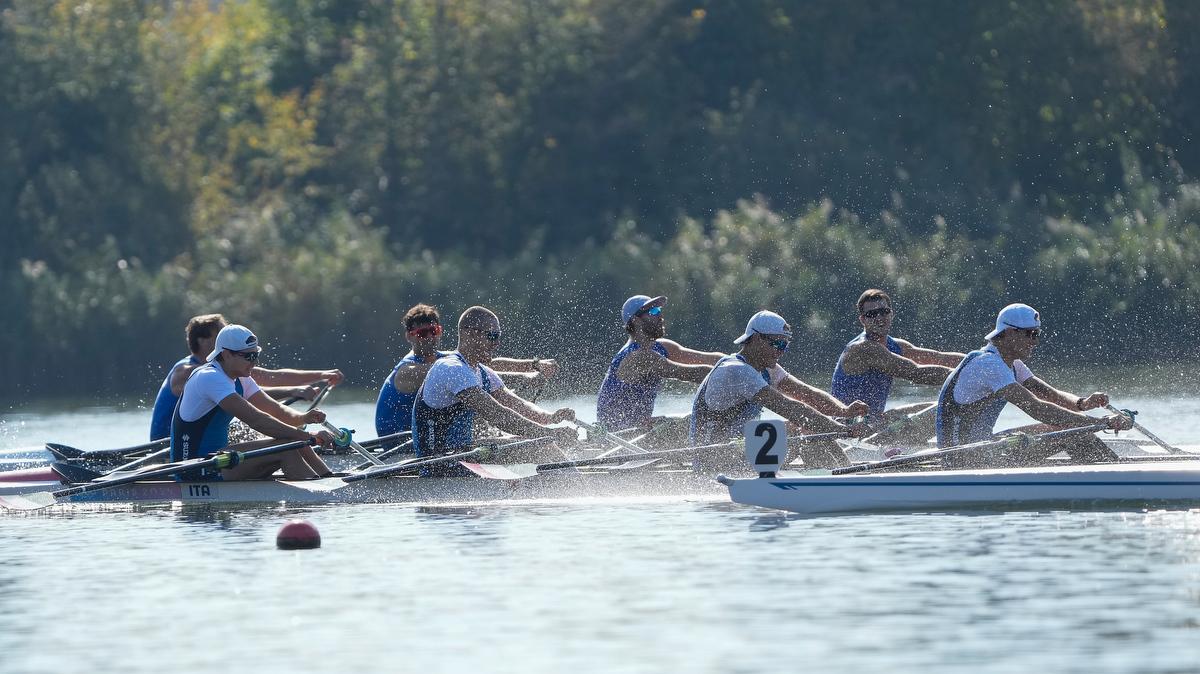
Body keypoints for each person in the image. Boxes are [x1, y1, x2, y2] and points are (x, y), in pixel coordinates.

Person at [935, 303, 1132, 464]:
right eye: (1031, 334)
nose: (1035, 342)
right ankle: (1114, 482)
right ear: (1010, 333)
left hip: (984, 447)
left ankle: (1105, 475)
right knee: (1074, 431)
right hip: (964, 459)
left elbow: (1051, 396)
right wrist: (1099, 423)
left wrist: (1082, 403)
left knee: (1074, 427)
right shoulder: (988, 364)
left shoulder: (1012, 365)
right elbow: (1037, 408)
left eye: (1037, 334)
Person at [690, 310, 871, 469]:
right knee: (805, 428)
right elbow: (791, 409)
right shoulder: (736, 370)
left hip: (739, 448)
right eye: (777, 344)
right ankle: (841, 478)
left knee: (807, 427)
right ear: (756, 339)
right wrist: (843, 430)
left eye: (785, 345)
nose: (781, 351)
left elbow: (807, 394)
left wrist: (844, 411)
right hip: (713, 460)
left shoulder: (767, 368)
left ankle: (845, 471)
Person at [411, 306, 577, 473]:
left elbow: (518, 405)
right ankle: (578, 492)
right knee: (542, 447)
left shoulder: (483, 372)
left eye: (498, 336)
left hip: (463, 454)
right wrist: (549, 434)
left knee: (536, 442)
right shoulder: (451, 368)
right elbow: (499, 416)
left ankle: (566, 488)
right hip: (439, 462)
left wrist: (550, 418)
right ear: (470, 333)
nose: (497, 343)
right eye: (492, 336)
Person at [170, 324, 337, 481]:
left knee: (293, 439)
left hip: (220, 459)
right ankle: (321, 497)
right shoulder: (209, 377)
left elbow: (276, 410)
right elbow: (257, 420)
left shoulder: (241, 378)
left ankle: (328, 480)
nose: (255, 362)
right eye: (249, 356)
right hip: (195, 467)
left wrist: (303, 418)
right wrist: (309, 437)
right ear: (227, 354)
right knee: (288, 448)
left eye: (256, 355)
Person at [374, 303, 560, 437]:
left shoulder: (447, 360)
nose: (430, 337)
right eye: (422, 333)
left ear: (440, 331)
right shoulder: (407, 371)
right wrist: (525, 379)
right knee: (478, 405)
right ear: (409, 336)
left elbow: (486, 365)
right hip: (397, 440)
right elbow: (466, 375)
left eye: (434, 331)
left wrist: (534, 364)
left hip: (432, 430)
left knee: (479, 408)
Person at [149, 314, 344, 441]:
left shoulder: (230, 366)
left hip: (204, 434)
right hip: (169, 441)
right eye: (220, 333)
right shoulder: (187, 371)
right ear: (203, 341)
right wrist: (293, 391)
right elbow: (266, 381)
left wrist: (321, 375)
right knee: (253, 431)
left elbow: (267, 379)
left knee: (258, 431)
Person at [831, 289, 964, 444]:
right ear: (862, 320)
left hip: (874, 423)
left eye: (883, 312)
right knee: (947, 409)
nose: (879, 317)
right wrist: (965, 378)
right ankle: (946, 451)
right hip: (852, 432)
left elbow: (940, 358)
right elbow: (916, 373)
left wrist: (979, 360)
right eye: (872, 314)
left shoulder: (896, 345)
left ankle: (934, 447)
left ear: (891, 314)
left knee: (941, 407)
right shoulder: (862, 348)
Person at [595, 295, 723, 447]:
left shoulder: (662, 347)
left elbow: (710, 358)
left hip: (641, 429)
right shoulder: (638, 356)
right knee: (701, 420)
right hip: (618, 439)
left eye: (660, 310)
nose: (660, 316)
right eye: (654, 311)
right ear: (636, 321)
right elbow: (692, 374)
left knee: (692, 419)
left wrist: (740, 361)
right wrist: (736, 376)